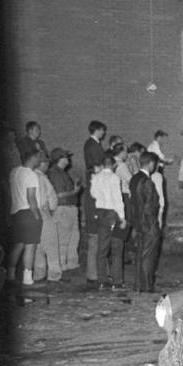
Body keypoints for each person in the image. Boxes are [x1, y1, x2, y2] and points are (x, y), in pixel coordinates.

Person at [91, 151, 128, 289]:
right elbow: (118, 199)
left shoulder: (96, 177)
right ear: (113, 165)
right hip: (113, 214)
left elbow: (93, 194)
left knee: (102, 248)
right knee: (117, 249)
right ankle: (117, 281)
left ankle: (102, 279)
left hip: (100, 214)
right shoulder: (114, 178)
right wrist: (122, 217)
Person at [6, 149, 43, 286]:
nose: (40, 161)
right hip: (28, 213)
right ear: (33, 158)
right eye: (39, 157)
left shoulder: (14, 172)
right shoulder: (31, 175)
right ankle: (27, 278)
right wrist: (37, 216)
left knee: (18, 244)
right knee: (30, 246)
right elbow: (31, 197)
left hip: (16, 212)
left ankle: (10, 274)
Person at [130, 152, 162, 292]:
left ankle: (139, 284)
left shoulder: (134, 179)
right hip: (148, 223)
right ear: (150, 163)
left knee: (140, 255)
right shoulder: (147, 181)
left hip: (138, 223)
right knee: (149, 256)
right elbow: (150, 205)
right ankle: (147, 285)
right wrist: (153, 224)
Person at [83, 120, 107, 289]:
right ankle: (93, 274)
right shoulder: (93, 145)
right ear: (97, 130)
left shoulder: (93, 144)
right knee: (95, 240)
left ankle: (96, 273)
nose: (103, 134)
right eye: (102, 131)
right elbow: (96, 165)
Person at [47, 148, 81, 272]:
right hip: (63, 208)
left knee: (73, 237)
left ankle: (71, 263)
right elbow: (59, 194)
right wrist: (75, 191)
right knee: (63, 238)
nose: (68, 159)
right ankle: (61, 264)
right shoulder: (55, 173)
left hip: (70, 207)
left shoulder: (62, 172)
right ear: (60, 159)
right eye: (66, 156)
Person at [32, 154, 62, 282]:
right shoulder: (42, 178)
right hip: (44, 212)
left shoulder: (30, 176)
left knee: (38, 246)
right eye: (46, 163)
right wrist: (52, 209)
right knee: (51, 245)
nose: (48, 166)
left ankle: (39, 274)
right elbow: (51, 197)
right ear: (41, 164)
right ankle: (54, 275)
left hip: (32, 213)